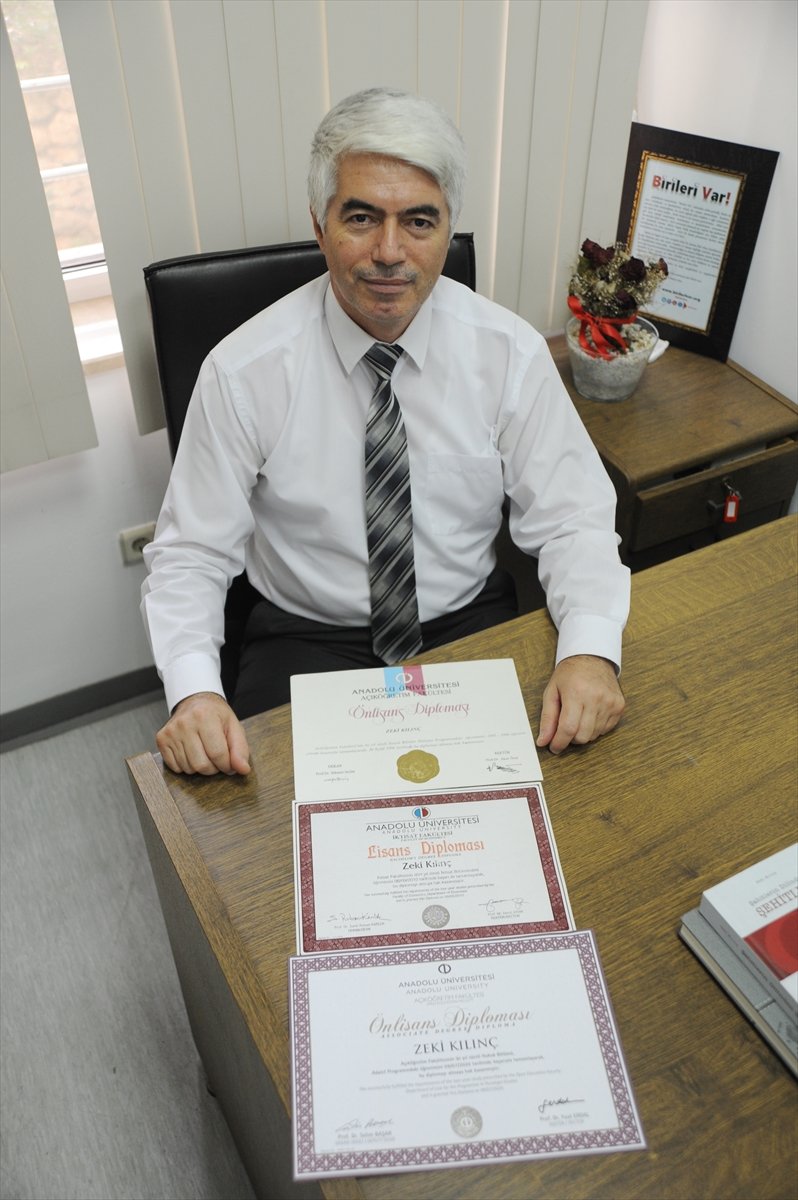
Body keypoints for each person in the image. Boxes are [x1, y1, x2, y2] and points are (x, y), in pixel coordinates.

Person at [142, 87, 630, 777]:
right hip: (307, 637)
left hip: (465, 621)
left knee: (543, 800)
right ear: (320, 227)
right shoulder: (243, 370)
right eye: (361, 218)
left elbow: (573, 519)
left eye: (419, 221)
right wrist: (194, 692)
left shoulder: (508, 353)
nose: (390, 252)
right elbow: (190, 552)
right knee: (274, 828)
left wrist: (590, 651)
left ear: (448, 228)